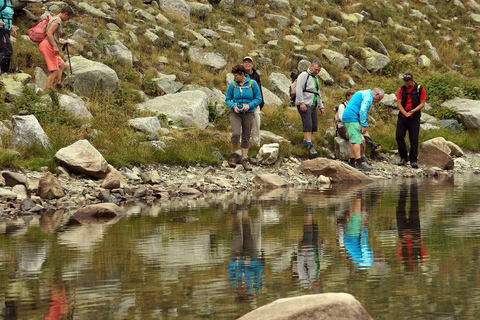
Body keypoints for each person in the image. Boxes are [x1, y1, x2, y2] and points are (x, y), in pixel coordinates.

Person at [225, 64, 262, 171]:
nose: (234, 77)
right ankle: (232, 156)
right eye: (234, 75)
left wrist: (249, 105)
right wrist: (233, 106)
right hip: (235, 112)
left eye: (236, 75)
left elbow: (258, 99)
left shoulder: (252, 84)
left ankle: (244, 158)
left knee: (246, 135)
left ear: (242, 74)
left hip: (249, 112)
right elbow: (227, 99)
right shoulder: (232, 85)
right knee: (236, 133)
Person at [341, 88, 384, 171]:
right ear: (377, 95)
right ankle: (359, 163)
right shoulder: (368, 97)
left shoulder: (364, 93)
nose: (377, 101)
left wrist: (361, 123)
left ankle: (352, 161)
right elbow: (363, 110)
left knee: (356, 139)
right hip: (351, 117)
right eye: (379, 99)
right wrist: (364, 125)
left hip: (351, 117)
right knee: (356, 141)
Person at [38, 6, 74, 90]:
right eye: (69, 17)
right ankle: (47, 91)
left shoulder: (54, 18)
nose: (68, 19)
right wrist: (55, 46)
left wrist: (61, 42)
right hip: (47, 46)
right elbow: (49, 33)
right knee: (54, 70)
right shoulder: (57, 20)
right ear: (65, 14)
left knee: (61, 64)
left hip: (48, 44)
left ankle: (58, 84)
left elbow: (53, 35)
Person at [295, 60, 326, 158]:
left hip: (313, 104)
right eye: (316, 69)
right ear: (311, 67)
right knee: (307, 123)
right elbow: (299, 89)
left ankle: (305, 142)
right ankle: (310, 145)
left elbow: (318, 93)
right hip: (305, 103)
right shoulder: (304, 75)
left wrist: (321, 106)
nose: (317, 72)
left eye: (319, 71)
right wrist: (301, 102)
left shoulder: (315, 79)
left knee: (313, 125)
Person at [396, 73, 426, 169]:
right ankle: (404, 157)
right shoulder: (402, 89)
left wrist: (413, 111)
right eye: (405, 82)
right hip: (403, 116)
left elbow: (422, 103)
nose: (407, 84)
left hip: (414, 117)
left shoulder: (420, 89)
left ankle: (413, 160)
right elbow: (399, 103)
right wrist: (405, 113)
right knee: (399, 136)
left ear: (413, 80)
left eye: (408, 82)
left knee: (414, 139)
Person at [242, 56, 264, 147]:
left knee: (256, 125)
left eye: (249, 62)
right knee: (244, 125)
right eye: (245, 62)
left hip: (255, 104)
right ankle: (243, 145)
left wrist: (261, 102)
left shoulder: (256, 76)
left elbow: (259, 89)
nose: (247, 64)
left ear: (252, 64)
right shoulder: (240, 75)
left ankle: (256, 145)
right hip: (243, 104)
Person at [0, 0, 16, 74]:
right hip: (1, 29)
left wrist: (12, 27)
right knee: (7, 51)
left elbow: (8, 16)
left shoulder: (9, 1)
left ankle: (4, 73)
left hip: (6, 29)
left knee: (4, 51)